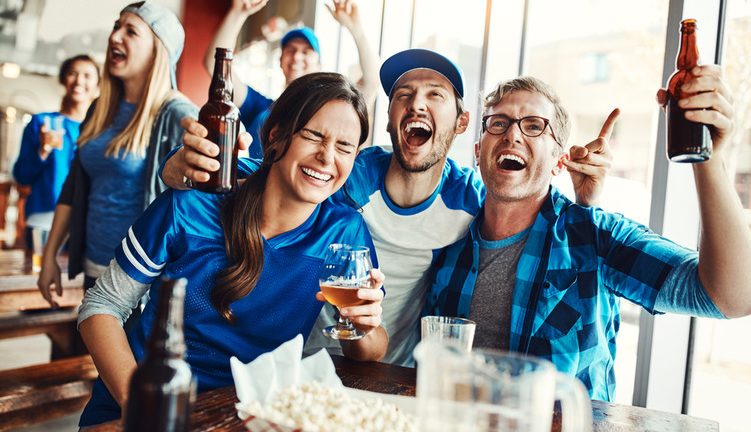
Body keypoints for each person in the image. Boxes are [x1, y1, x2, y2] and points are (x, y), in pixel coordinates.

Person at [161, 49, 610, 367]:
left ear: (462, 123)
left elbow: (527, 208)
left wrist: (586, 200)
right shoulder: (349, 173)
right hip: (297, 360)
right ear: (390, 117)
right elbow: (264, 172)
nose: (416, 104)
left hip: (388, 372)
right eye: (403, 94)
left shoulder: (471, 200)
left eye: (435, 95)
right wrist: (181, 168)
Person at [424, 71, 751, 401]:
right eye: (499, 123)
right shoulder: (448, 242)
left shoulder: (593, 237)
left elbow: (732, 298)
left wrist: (708, 158)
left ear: (559, 162)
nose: (512, 135)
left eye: (534, 126)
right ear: (478, 150)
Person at [77, 72, 387, 426]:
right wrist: (138, 404)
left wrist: (364, 325)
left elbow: (370, 349)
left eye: (344, 147)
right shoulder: (192, 203)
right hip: (139, 409)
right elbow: (101, 305)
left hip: (249, 420)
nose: (326, 157)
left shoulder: (345, 231)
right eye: (313, 136)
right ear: (276, 135)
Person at [36, 2, 197, 307]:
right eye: (116, 26)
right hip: (94, 268)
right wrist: (49, 256)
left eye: (131, 31)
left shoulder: (176, 114)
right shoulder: (100, 109)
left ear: (157, 50)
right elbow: (73, 188)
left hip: (140, 283)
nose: (115, 36)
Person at [206, 0, 378, 158]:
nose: (296, 56)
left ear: (319, 64)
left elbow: (372, 82)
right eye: (291, 50)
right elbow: (216, 66)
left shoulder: (329, 113)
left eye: (306, 51)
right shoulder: (260, 107)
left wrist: (355, 28)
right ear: (280, 60)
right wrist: (237, 13)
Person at [12, 54, 100, 238]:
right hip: (44, 220)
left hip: (86, 222)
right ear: (63, 79)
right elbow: (22, 176)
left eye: (87, 76)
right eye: (73, 73)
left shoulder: (101, 131)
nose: (79, 81)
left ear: (98, 85)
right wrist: (43, 150)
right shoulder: (41, 122)